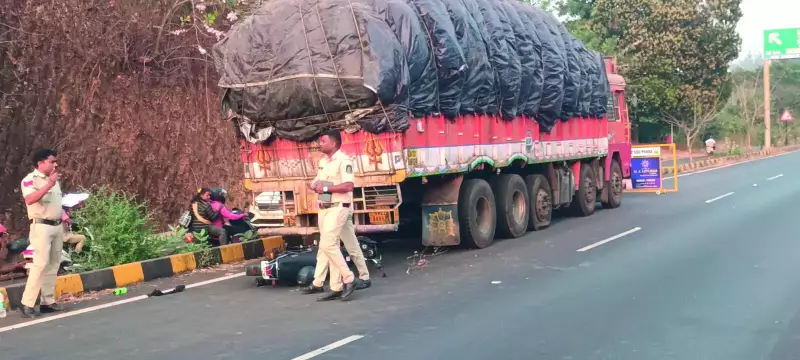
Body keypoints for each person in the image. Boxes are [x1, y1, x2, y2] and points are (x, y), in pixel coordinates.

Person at [301, 130, 369, 301]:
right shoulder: (323, 161)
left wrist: (324, 189)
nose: (319, 144)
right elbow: (320, 180)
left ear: (333, 143)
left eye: (323, 141)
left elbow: (348, 186)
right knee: (329, 245)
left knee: (329, 244)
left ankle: (350, 278)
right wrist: (314, 185)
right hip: (325, 207)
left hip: (339, 207)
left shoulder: (344, 160)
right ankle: (335, 286)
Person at [19, 148, 66, 317]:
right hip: (41, 226)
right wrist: (49, 185)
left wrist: (64, 218)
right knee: (40, 264)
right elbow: (30, 199)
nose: (56, 164)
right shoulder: (30, 180)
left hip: (57, 226)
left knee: (54, 264)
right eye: (52, 161)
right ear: (40, 163)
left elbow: (55, 203)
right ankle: (27, 303)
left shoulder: (53, 180)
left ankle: (48, 301)